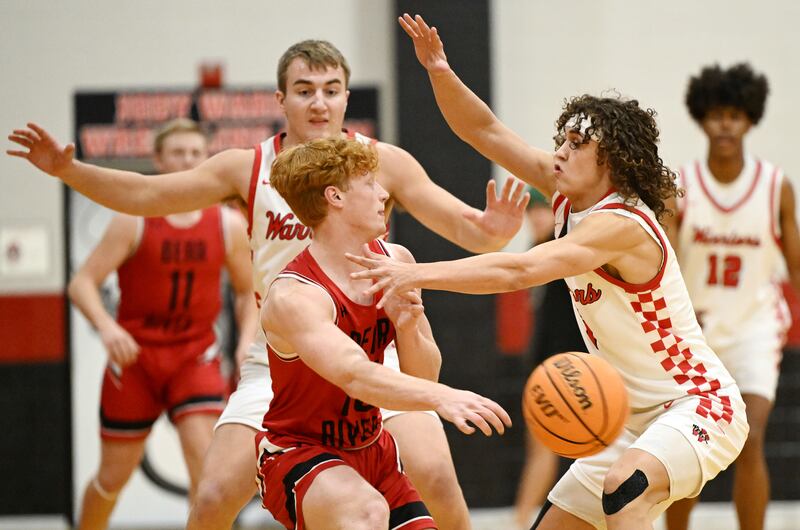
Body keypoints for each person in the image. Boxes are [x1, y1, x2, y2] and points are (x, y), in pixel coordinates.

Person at [6, 39, 529, 530]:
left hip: (369, 351)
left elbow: (470, 230)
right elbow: (147, 194)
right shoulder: (248, 165)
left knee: (438, 481)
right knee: (211, 498)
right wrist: (71, 170)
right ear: (282, 99)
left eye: (330, 90)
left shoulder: (379, 163)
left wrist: (495, 231)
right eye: (304, 90)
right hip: (284, 354)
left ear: (347, 96)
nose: (319, 103)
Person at [345, 14, 750, 530]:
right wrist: (440, 70)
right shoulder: (567, 194)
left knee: (625, 491)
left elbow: (520, 270)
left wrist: (413, 273)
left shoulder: (621, 225)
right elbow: (484, 130)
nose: (559, 150)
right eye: (562, 138)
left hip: (696, 402)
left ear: (614, 161)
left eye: (577, 144)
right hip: (631, 420)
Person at [257, 136, 511, 530]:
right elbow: (356, 376)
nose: (383, 194)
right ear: (335, 197)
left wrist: (407, 327)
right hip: (300, 452)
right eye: (370, 184)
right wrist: (444, 398)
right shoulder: (296, 296)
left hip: (373, 448)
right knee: (366, 514)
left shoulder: (396, 261)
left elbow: (423, 376)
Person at [65, 118, 257, 530]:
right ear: (158, 160)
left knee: (208, 474)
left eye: (195, 152)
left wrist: (246, 341)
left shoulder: (226, 224)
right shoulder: (132, 219)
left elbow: (247, 292)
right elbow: (81, 284)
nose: (188, 160)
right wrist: (108, 327)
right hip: (136, 359)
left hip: (194, 355)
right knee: (112, 478)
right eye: (178, 153)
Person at [662, 63, 800, 530]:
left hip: (756, 328)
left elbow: (796, 267)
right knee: (691, 442)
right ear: (702, 119)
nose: (725, 124)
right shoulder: (681, 186)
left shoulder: (775, 186)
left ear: (751, 120)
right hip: (696, 333)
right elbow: (664, 265)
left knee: (751, 437)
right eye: (716, 115)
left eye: (735, 115)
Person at [513, 189, 585, 530]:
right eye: (532, 213)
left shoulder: (564, 250)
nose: (536, 219)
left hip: (580, 367)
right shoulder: (533, 252)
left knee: (595, 450)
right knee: (539, 450)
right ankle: (522, 520)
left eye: (542, 211)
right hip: (544, 364)